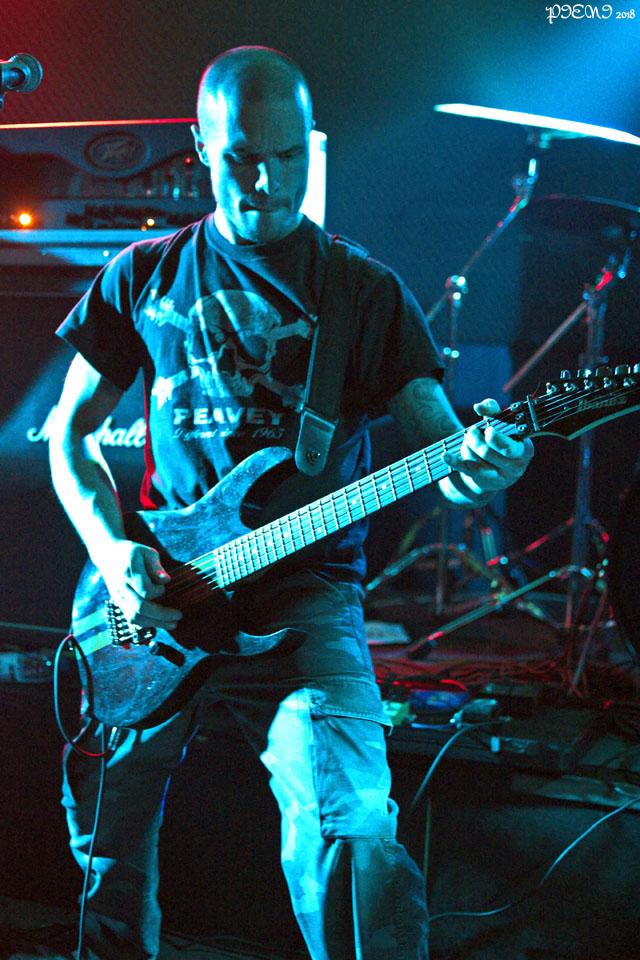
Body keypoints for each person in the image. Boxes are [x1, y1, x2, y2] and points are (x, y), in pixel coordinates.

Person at [44, 46, 533, 960]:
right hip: (158, 596)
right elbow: (68, 436)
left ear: (312, 147)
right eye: (240, 158)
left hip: (305, 596)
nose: (266, 183)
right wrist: (113, 552)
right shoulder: (141, 273)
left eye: (286, 157)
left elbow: (439, 443)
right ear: (200, 147)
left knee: (354, 830)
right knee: (107, 839)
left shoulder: (363, 290)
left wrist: (477, 464)